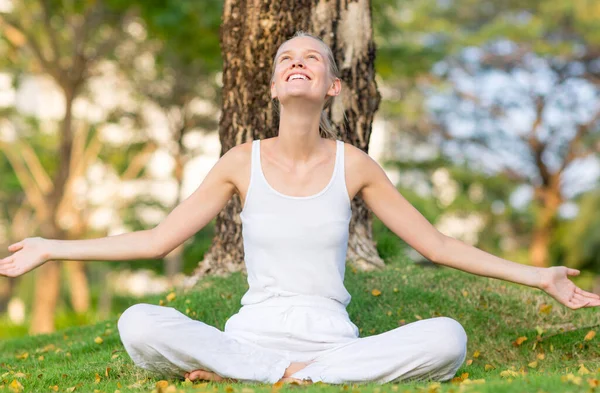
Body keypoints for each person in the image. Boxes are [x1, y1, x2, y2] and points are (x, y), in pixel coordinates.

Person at [2, 31, 599, 385]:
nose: (297, 62)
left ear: (332, 87)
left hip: (333, 342)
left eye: (312, 59)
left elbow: (438, 246)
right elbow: (158, 240)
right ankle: (261, 369)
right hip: (249, 334)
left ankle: (293, 375)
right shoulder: (241, 161)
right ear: (271, 85)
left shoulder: (355, 166)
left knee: (448, 339)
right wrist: (51, 248)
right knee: (138, 322)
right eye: (287, 56)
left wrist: (537, 276)